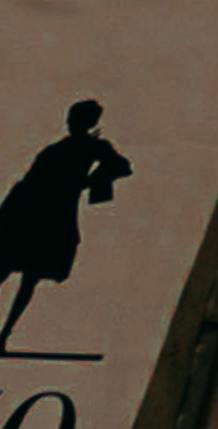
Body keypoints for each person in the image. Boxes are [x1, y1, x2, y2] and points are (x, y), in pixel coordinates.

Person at [0, 101, 129, 350]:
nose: (71, 124)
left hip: (50, 217)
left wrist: (89, 182)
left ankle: (4, 333)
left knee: (27, 278)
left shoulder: (91, 147)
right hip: (33, 214)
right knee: (13, 272)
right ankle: (3, 334)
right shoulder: (58, 150)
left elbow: (122, 167)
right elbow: (30, 183)